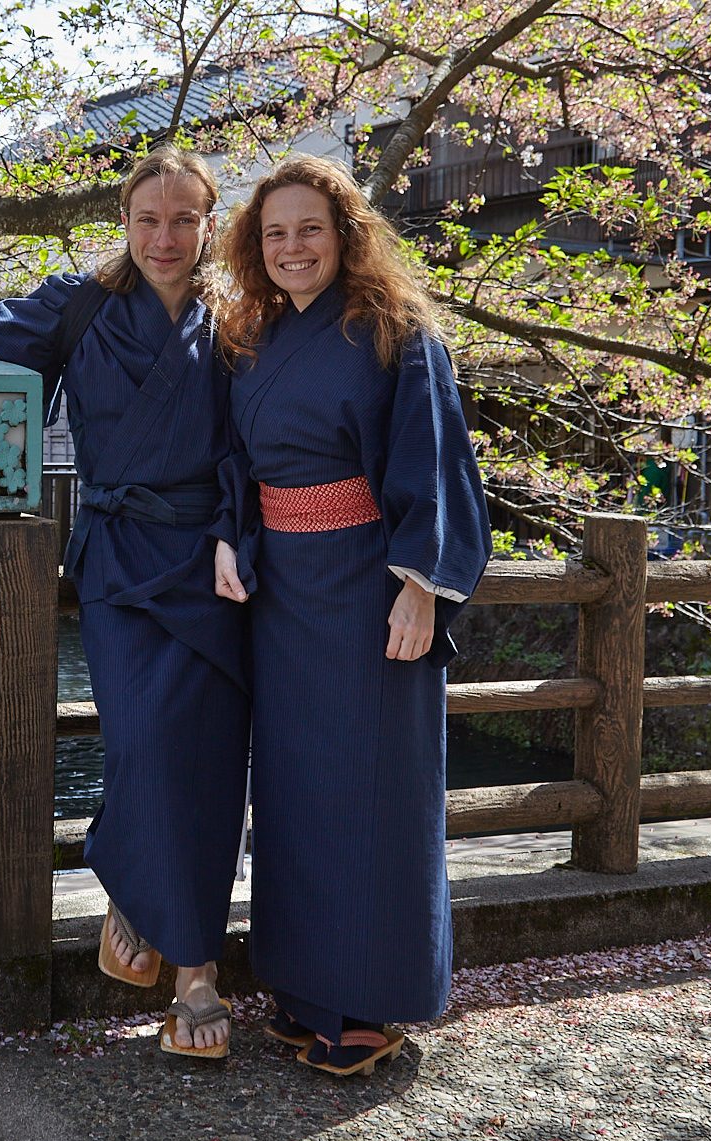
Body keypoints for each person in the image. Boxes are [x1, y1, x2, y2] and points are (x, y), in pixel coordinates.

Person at [0, 145, 249, 1059]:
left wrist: (237, 536)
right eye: (146, 219)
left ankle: (196, 973)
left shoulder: (241, 318)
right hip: (120, 558)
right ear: (124, 224)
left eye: (182, 219)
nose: (164, 237)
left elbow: (262, 445)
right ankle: (138, 895)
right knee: (143, 742)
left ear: (209, 225)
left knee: (209, 758)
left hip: (213, 565)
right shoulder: (82, 302)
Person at [210, 155, 490, 1076]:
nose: (293, 248)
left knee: (371, 791)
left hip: (372, 588)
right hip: (285, 595)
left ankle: (368, 1002)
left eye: (310, 230)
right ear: (258, 247)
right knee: (294, 794)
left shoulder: (395, 332)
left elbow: (439, 460)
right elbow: (235, 467)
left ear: (346, 236)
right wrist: (232, 541)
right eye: (275, 233)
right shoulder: (251, 337)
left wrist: (421, 583)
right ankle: (304, 990)